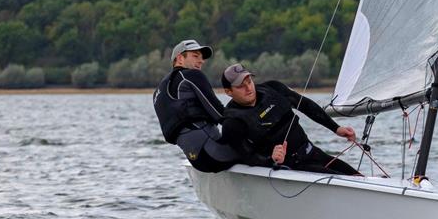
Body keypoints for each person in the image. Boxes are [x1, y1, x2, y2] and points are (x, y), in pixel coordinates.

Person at [220, 63, 361, 176]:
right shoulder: (232, 122)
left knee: (358, 178)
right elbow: (247, 157)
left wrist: (336, 128)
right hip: (293, 169)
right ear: (228, 92)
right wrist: (271, 159)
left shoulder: (273, 89)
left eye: (249, 81)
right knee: (348, 183)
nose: (248, 88)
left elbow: (306, 105)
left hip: (313, 152)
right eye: (240, 86)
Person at [153, 39, 271, 172]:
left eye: (202, 58)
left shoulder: (158, 91)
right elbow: (219, 114)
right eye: (195, 56)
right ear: (180, 58)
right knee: (264, 144)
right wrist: (257, 122)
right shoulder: (191, 75)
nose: (201, 61)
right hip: (214, 154)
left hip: (197, 160)